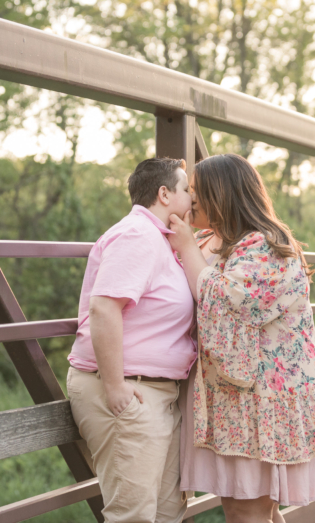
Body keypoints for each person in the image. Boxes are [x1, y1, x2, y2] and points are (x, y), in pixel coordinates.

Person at [169, 154, 315, 523]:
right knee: (250, 509)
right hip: (232, 398)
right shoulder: (211, 239)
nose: (190, 199)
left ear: (222, 195)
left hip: (266, 398)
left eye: (196, 191)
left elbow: (227, 303)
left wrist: (187, 247)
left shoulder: (266, 245)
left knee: (246, 510)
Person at [66, 157, 196, 523]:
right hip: (128, 391)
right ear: (164, 193)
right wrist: (116, 386)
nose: (192, 198)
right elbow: (104, 308)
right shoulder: (137, 236)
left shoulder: (159, 240)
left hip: (158, 393)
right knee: (134, 516)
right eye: (186, 190)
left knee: (169, 511)